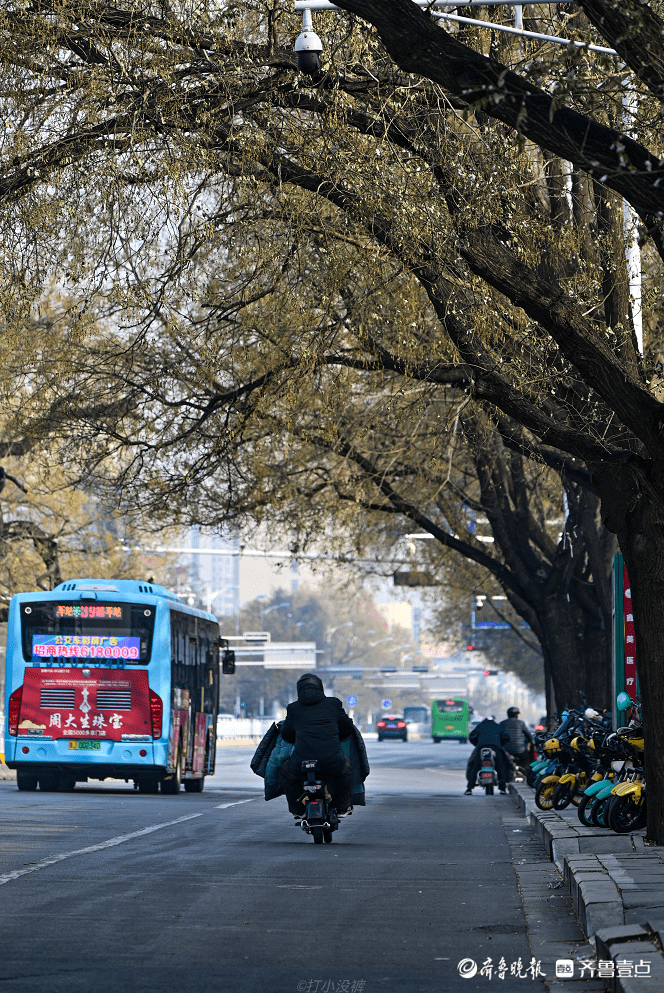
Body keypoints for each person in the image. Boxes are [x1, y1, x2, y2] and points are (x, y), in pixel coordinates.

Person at [280, 673, 355, 820]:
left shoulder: (293, 708)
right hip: (332, 760)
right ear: (321, 688)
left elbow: (286, 735)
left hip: (301, 762)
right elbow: (346, 728)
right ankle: (341, 807)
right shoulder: (333, 704)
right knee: (346, 770)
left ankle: (297, 809)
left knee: (286, 771)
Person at [465, 716, 511, 794]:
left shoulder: (480, 726)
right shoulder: (497, 726)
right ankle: (503, 789)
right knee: (500, 766)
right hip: (495, 748)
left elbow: (472, 736)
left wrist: (477, 744)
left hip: (481, 748)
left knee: (475, 766)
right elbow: (505, 736)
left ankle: (469, 788)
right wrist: (500, 744)